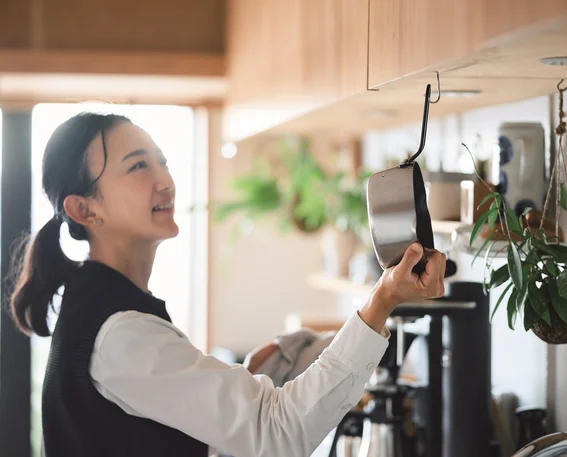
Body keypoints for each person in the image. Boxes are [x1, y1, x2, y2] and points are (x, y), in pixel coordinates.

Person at [7, 112, 447, 457]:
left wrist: (237, 393)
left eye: (162, 160)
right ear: (85, 210)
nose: (165, 180)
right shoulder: (121, 333)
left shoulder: (104, 308)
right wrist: (382, 300)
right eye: (138, 166)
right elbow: (280, 434)